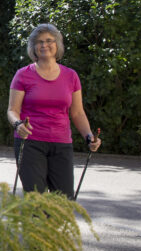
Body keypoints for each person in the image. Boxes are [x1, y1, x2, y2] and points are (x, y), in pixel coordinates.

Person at [6, 23, 101, 197]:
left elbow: (77, 113)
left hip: (61, 144)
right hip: (30, 143)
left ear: (57, 45)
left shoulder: (71, 76)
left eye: (49, 40)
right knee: (37, 199)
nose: (44, 45)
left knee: (63, 200)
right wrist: (18, 124)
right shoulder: (23, 75)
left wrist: (89, 137)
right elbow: (12, 110)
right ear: (33, 47)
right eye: (39, 42)